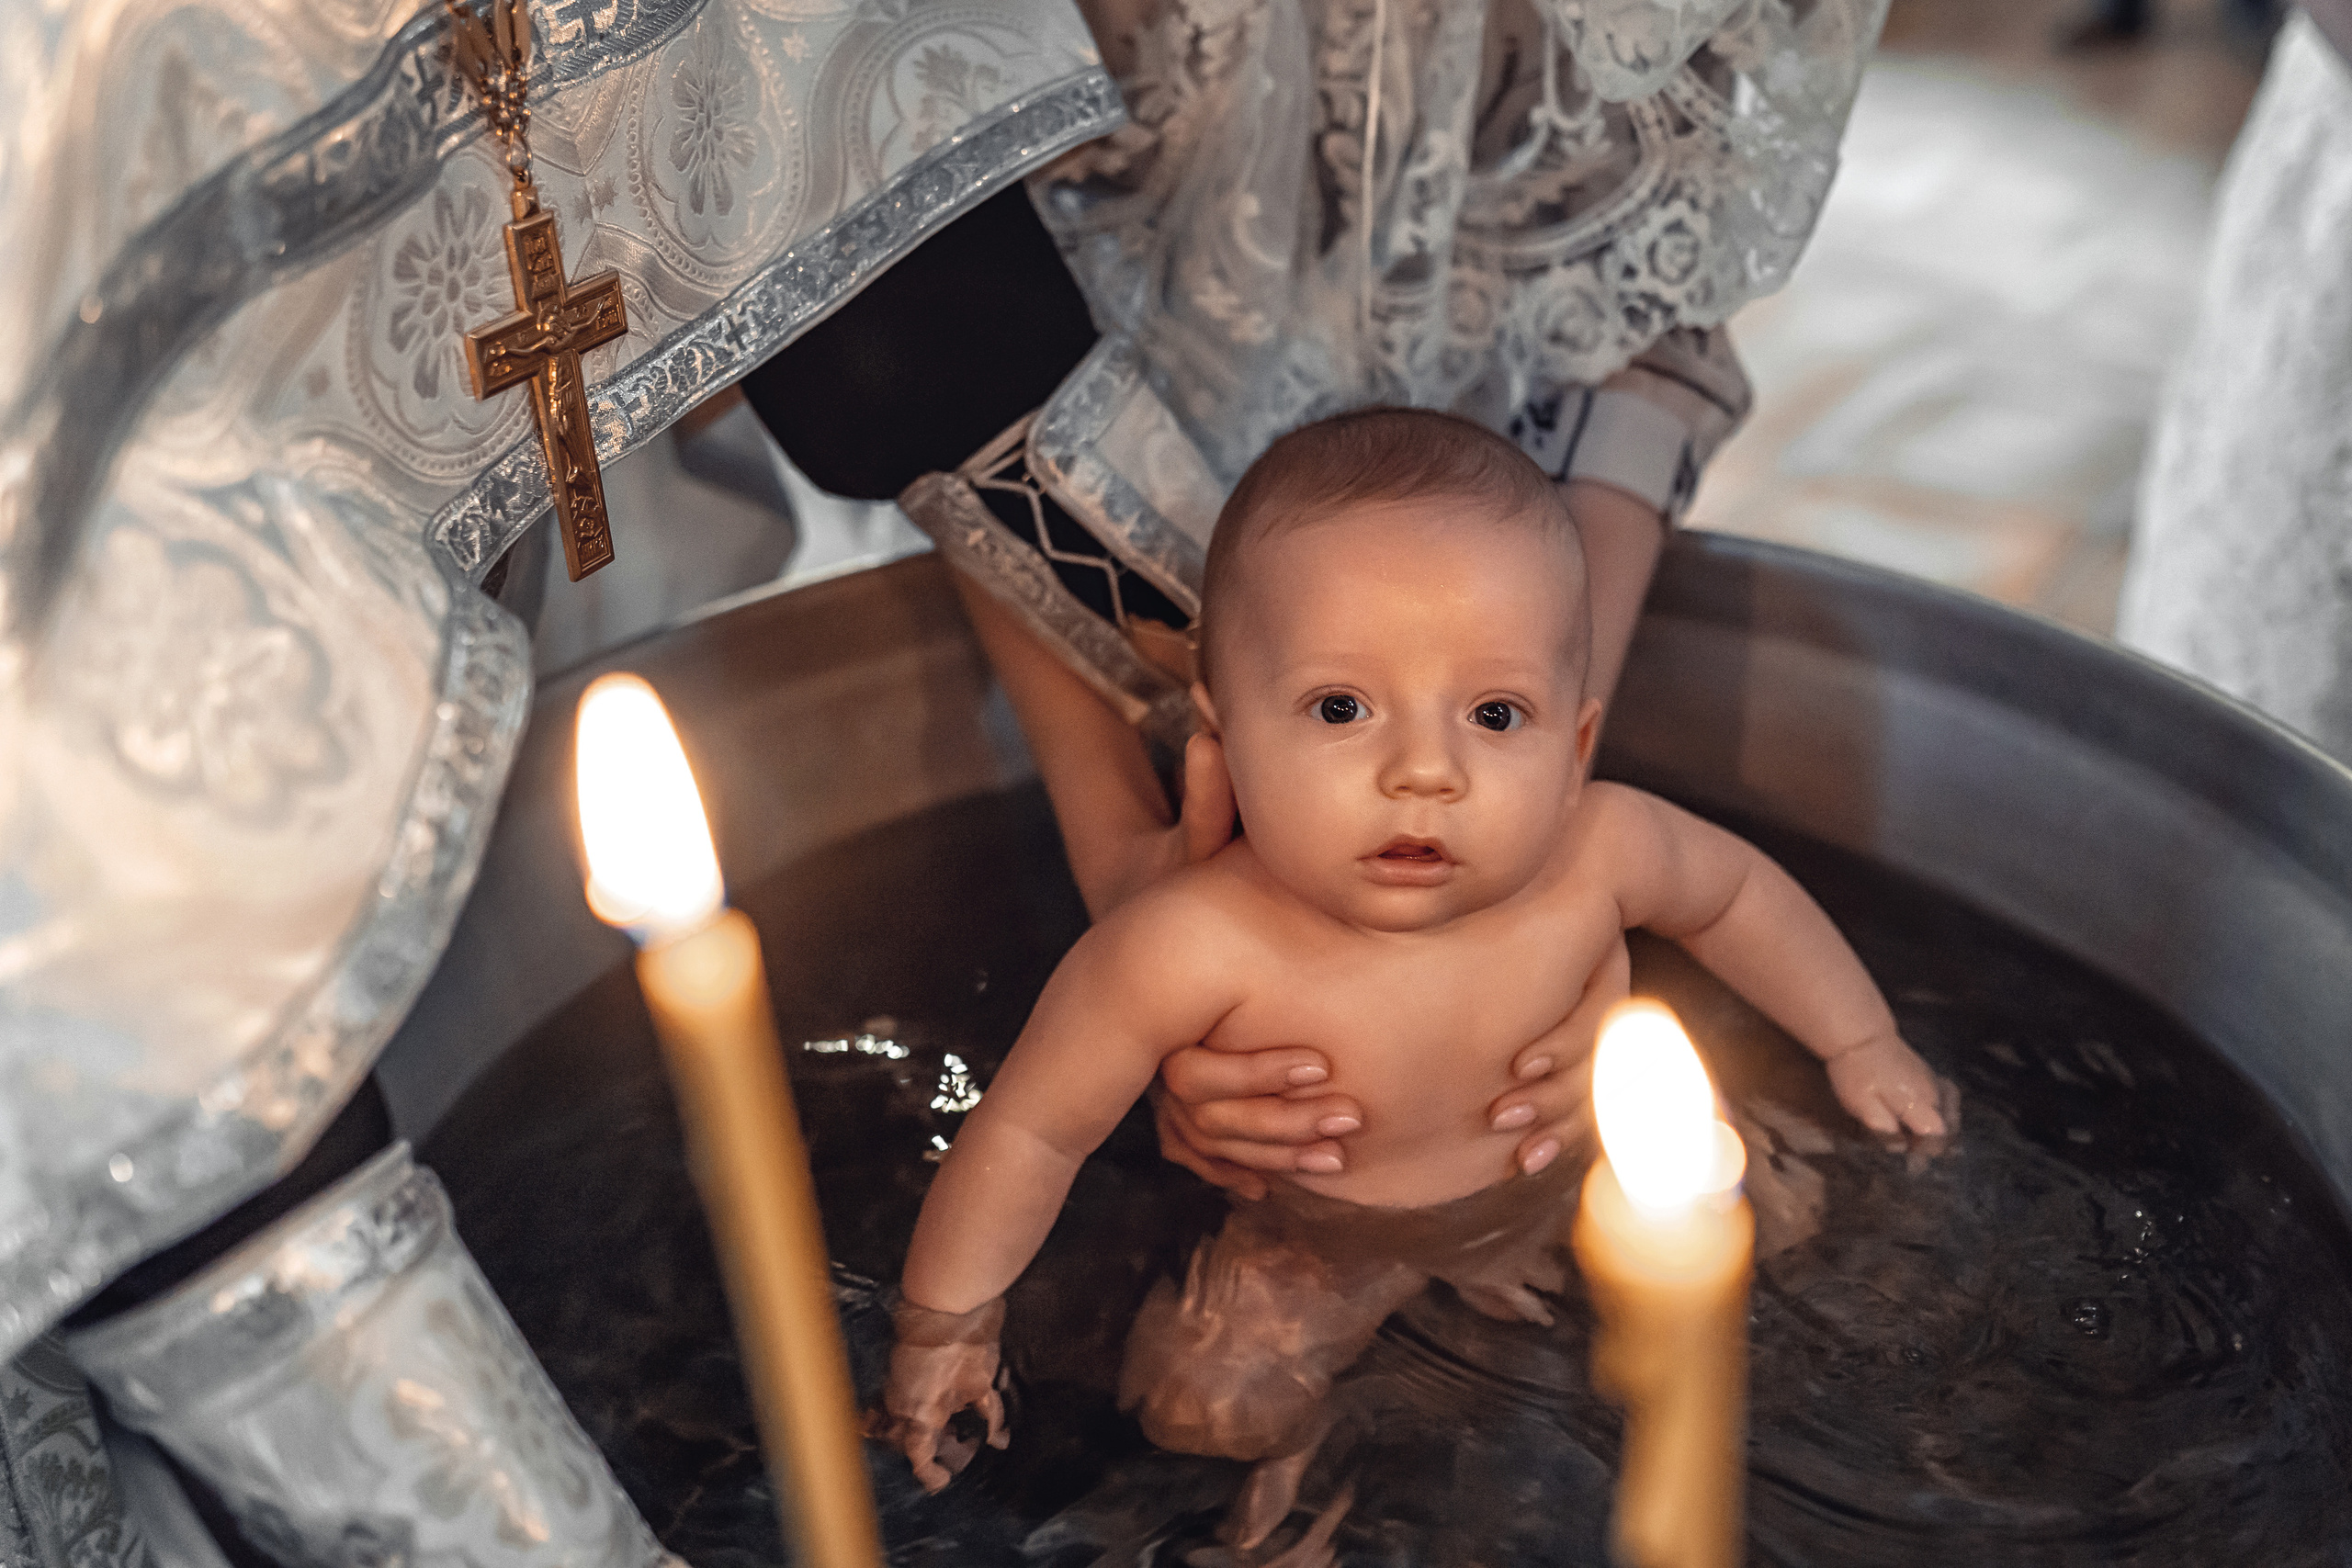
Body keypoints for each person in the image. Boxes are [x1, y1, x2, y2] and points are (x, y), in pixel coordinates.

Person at [873, 410, 1950, 1540]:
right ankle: (1291, 1497)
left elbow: (1738, 899)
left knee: (1806, 1241)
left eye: (1495, 714)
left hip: (1566, 1179)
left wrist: (1859, 1040)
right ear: (1225, 733)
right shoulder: (1189, 944)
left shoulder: (1600, 851)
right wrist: (946, 1324)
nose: (1426, 771)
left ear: (1576, 747)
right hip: (1320, 1244)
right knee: (1195, 1404)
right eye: (1342, 708)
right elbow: (1030, 1132)